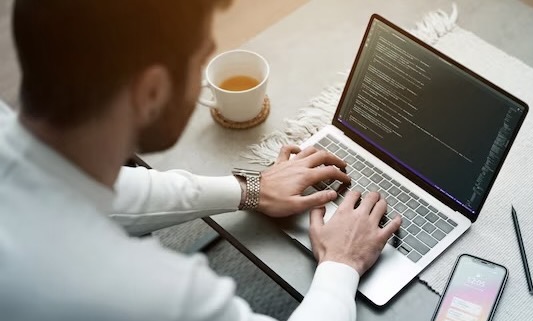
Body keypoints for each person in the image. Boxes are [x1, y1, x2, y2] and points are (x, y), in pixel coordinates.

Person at [0, 1, 402, 320]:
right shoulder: (151, 292)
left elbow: (95, 192)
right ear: (152, 92)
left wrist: (248, 189)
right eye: (200, 62)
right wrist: (340, 265)